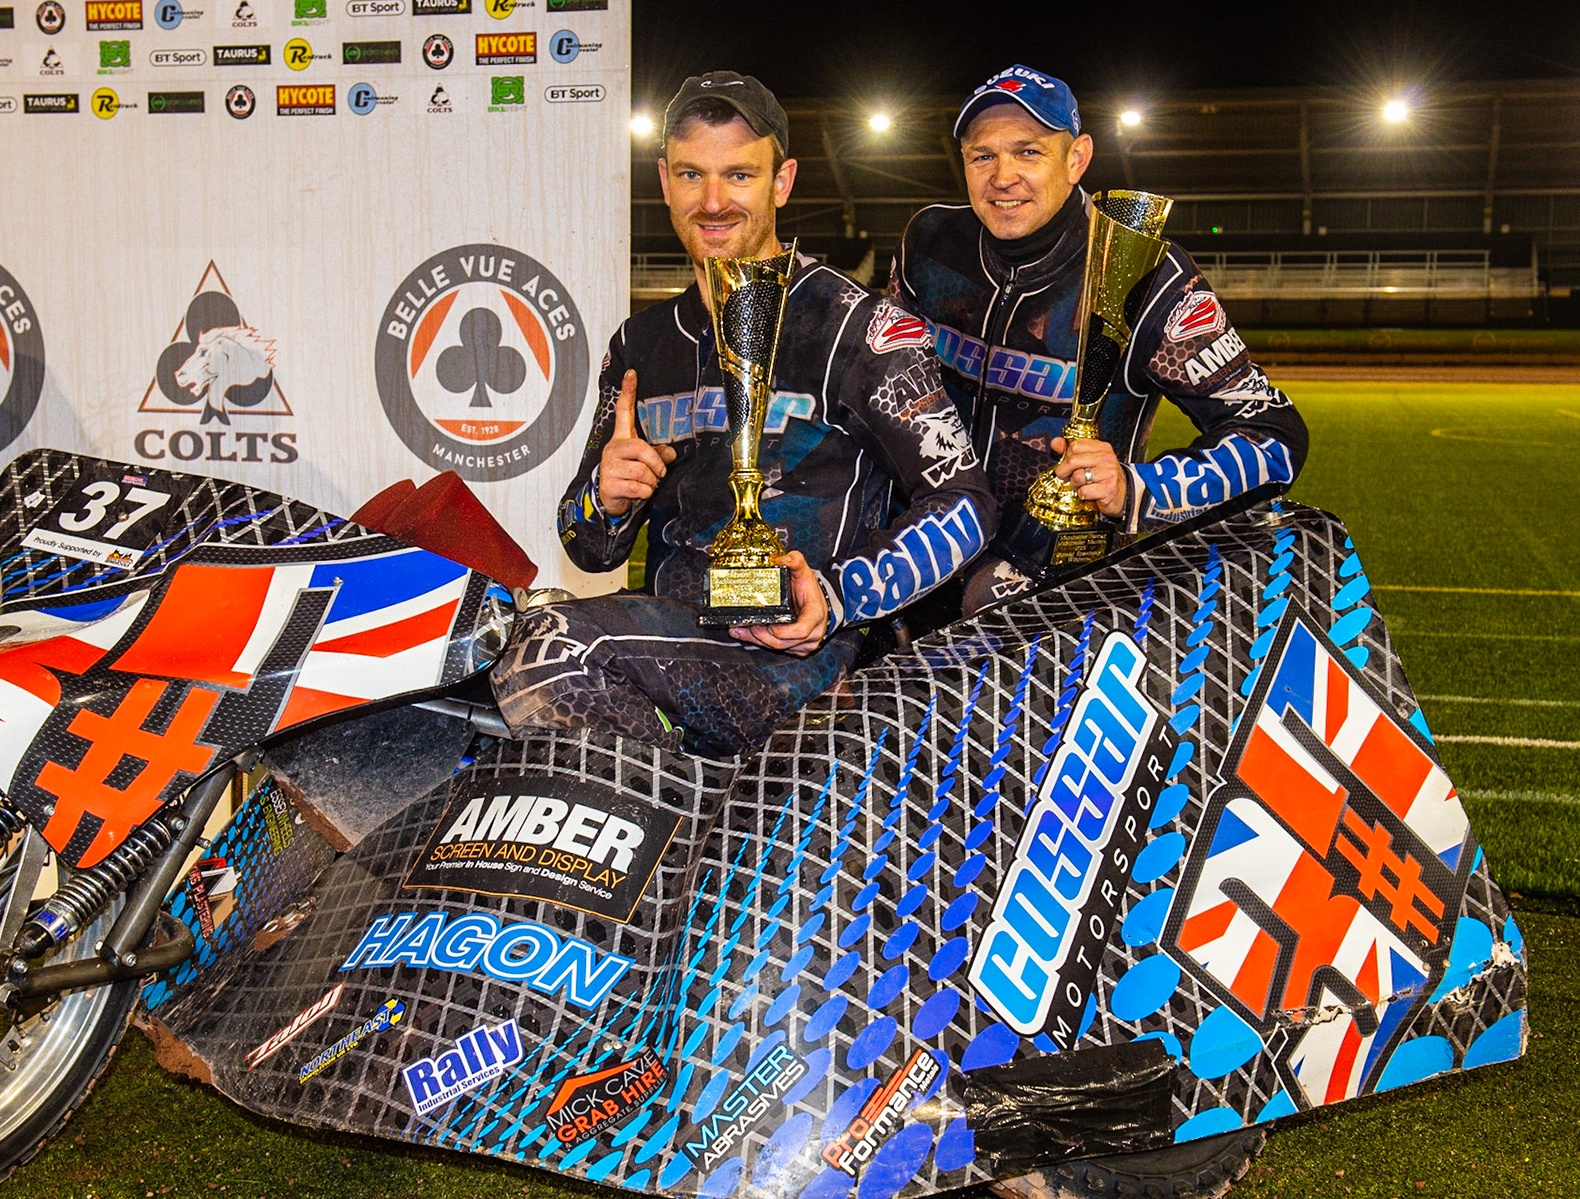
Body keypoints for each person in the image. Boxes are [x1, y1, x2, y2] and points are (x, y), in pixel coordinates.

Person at [490, 71, 996, 759]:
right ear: (665, 181)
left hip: (801, 662)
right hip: (671, 639)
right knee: (492, 640)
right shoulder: (641, 343)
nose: (714, 201)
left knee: (548, 652)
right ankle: (703, 830)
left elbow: (965, 504)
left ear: (781, 183)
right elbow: (588, 547)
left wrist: (836, 594)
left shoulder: (860, 327)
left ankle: (689, 837)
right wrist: (604, 500)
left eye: (739, 174)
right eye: (693, 174)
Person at [888, 65, 1310, 610]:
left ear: (1077, 158)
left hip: (1058, 591)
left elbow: (1274, 438)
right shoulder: (928, 242)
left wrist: (1136, 489)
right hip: (920, 559)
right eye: (982, 156)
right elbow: (884, 388)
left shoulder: (1147, 273)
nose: (1003, 176)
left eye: (1029, 152)